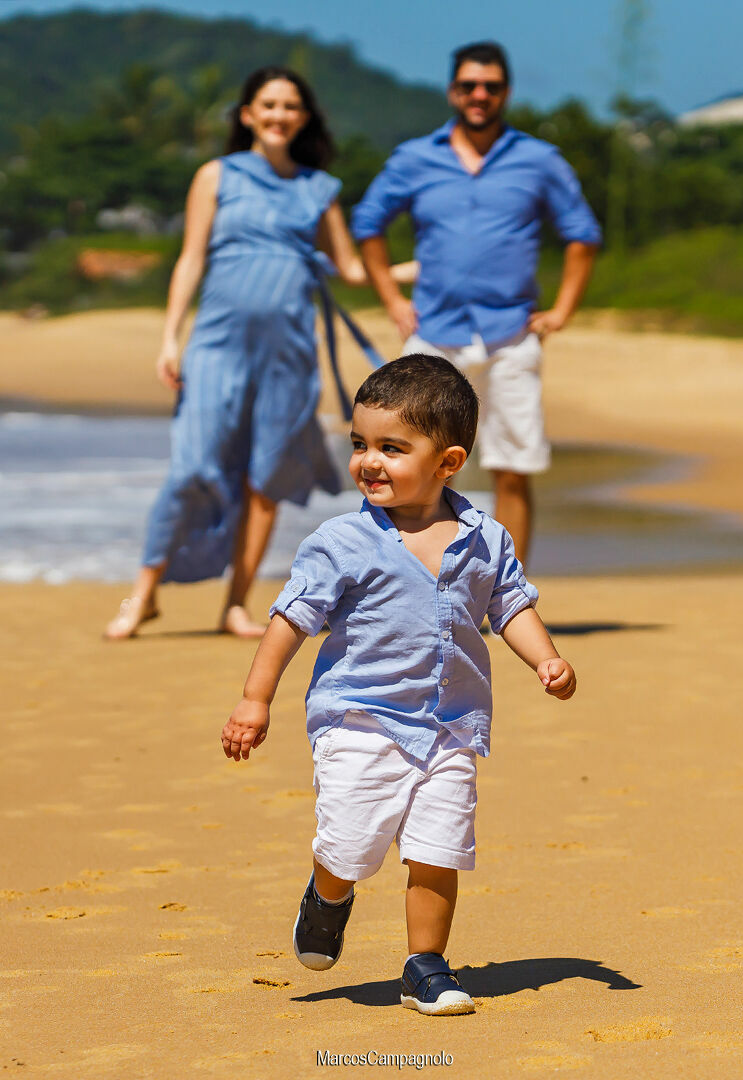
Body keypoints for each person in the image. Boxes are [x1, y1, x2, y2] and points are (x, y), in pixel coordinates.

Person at [221, 355, 576, 1015]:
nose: (368, 461)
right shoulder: (342, 542)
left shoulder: (484, 538)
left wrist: (545, 659)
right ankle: (328, 894)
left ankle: (425, 966)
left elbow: (511, 607)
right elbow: (289, 622)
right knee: (351, 845)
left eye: (391, 447)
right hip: (360, 723)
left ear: (447, 461)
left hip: (449, 726)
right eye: (359, 444)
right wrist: (254, 698)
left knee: (438, 848)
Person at [104, 66, 414, 640]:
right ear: (247, 114)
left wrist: (415, 268)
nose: (279, 115)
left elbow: (348, 268)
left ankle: (236, 604)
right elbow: (191, 258)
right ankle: (143, 594)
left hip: (289, 354)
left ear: (303, 118)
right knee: (191, 468)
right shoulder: (216, 175)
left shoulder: (318, 189)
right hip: (217, 345)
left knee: (265, 478)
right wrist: (170, 335)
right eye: (268, 105)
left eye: (290, 106)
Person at [352, 41, 602, 567]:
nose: (479, 94)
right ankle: (413, 585)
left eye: (490, 85)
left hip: (511, 335)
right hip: (433, 334)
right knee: (415, 468)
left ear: (506, 91)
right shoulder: (415, 158)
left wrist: (562, 311)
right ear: (452, 91)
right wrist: (392, 299)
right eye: (469, 85)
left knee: (513, 467)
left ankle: (508, 601)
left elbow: (582, 234)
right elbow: (368, 225)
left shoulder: (538, 159)